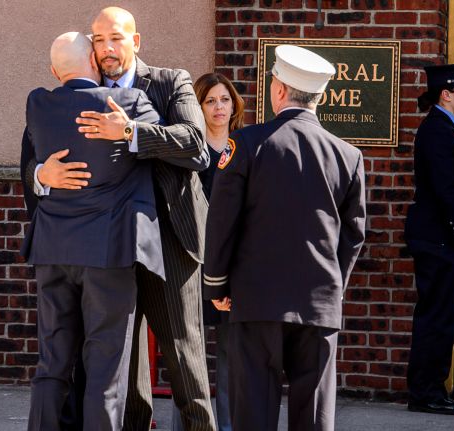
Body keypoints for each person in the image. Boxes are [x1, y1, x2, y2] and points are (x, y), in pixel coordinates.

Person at [21, 7, 216, 431]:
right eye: (98, 40)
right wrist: (42, 176)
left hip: (167, 239)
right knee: (120, 369)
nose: (106, 48)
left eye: (115, 38)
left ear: (136, 41)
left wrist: (130, 132)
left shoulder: (167, 83)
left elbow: (197, 148)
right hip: (107, 251)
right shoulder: (65, 97)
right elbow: (31, 159)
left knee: (185, 361)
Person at [202, 45, 366, 431]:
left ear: (278, 90)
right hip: (318, 306)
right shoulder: (348, 155)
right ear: (319, 97)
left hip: (256, 301)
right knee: (313, 417)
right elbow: (354, 234)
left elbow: (222, 221)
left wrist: (217, 284)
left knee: (254, 413)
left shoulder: (245, 144)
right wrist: (332, 289)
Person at [21, 31, 163, 431]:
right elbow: (163, 145)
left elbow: (34, 152)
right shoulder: (130, 103)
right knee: (105, 369)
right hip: (108, 251)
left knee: (52, 363)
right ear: (96, 64)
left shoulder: (38, 103)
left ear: (54, 71)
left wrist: (41, 176)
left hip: (53, 251)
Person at [403, 62, 454, 415]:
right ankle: (425, 392)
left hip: (440, 239)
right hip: (437, 239)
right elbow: (445, 189)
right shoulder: (436, 130)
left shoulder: (448, 127)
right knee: (435, 316)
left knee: (440, 314)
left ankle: (433, 387)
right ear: (445, 95)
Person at [170, 72, 244, 431]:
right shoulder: (191, 151)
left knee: (232, 354)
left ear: (234, 105)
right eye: (210, 100)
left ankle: (227, 425)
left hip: (233, 264)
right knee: (189, 354)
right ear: (198, 107)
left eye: (225, 99)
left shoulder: (245, 147)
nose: (219, 107)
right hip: (193, 260)